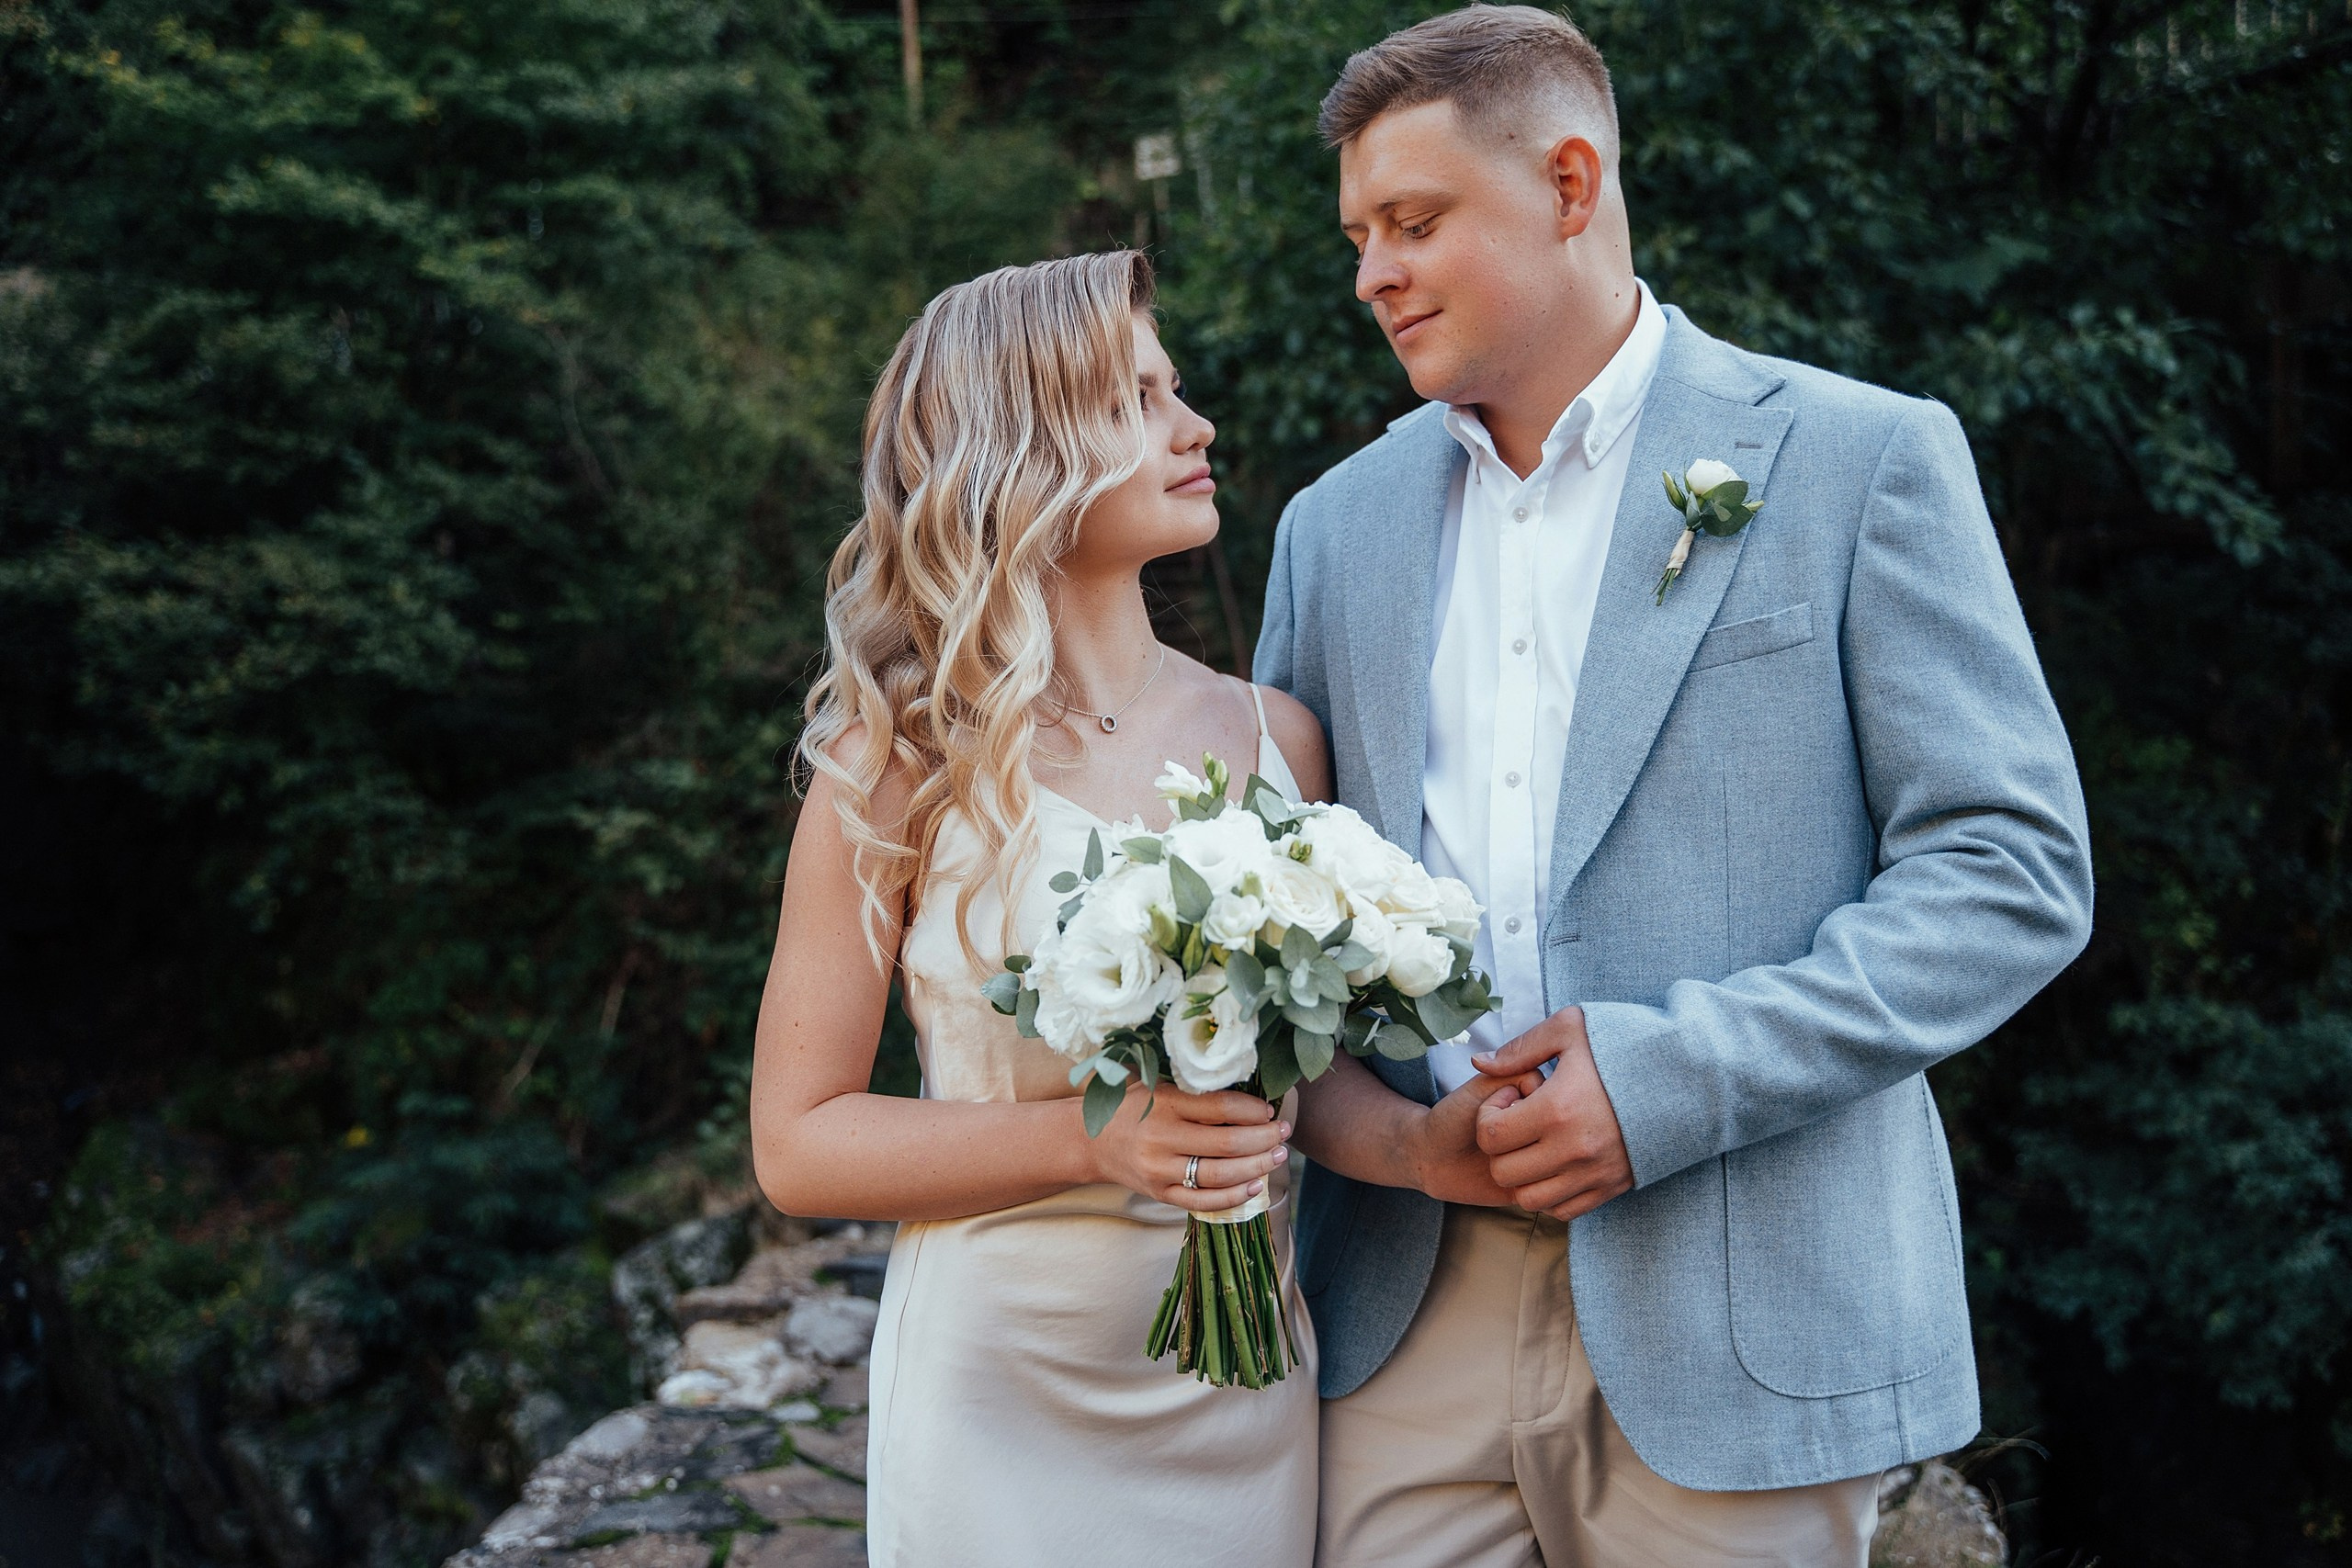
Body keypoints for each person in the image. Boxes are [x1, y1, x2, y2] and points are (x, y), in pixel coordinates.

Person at [1260, 7, 2096, 1566]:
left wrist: (1668, 1081)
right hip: (1403, 1315)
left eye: (1416, 223)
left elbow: (2011, 870)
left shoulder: (1861, 459)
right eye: (1361, 233)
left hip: (1746, 1309)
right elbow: (1285, 921)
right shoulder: (1334, 529)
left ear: (1571, 186)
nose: (1371, 271)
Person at [748, 250, 1329, 1567]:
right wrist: (1098, 1140)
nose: (1197, 428)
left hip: (1242, 1395)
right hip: (1000, 1401)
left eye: (1175, 389)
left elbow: (1316, 1084)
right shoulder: (897, 759)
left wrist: (1434, 1146)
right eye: (1138, 399)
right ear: (1027, 449)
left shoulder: (1280, 736)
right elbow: (799, 1146)